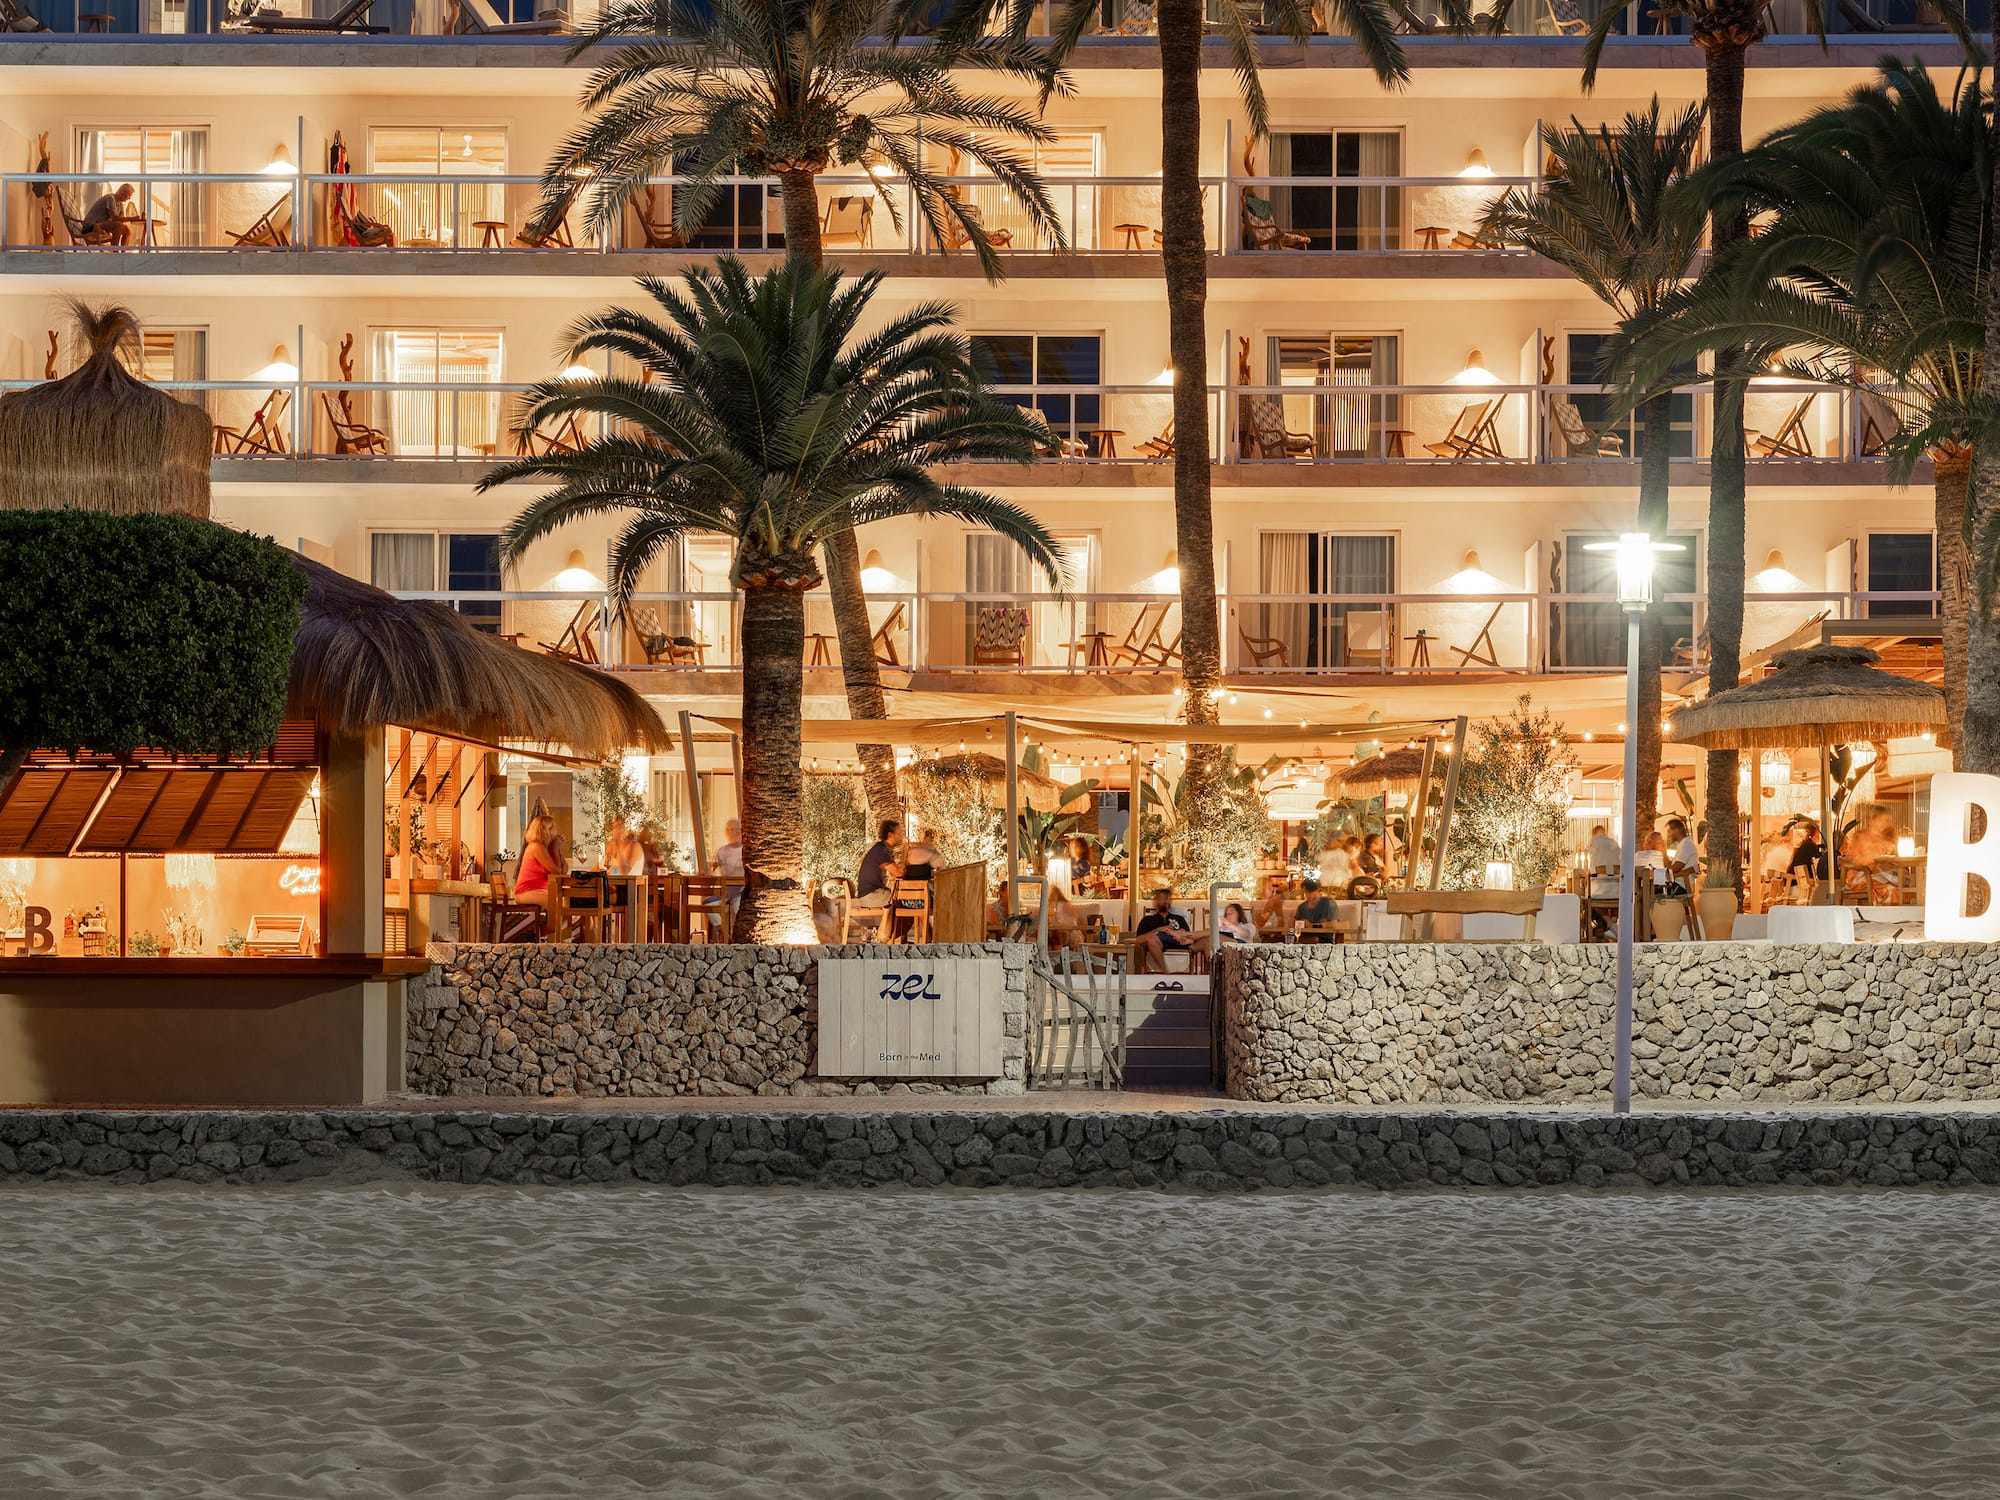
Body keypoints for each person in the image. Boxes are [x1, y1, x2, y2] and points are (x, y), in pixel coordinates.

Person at [1841, 806, 1901, 904]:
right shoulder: (1859, 837)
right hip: (1861, 874)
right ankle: (1880, 915)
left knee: (1904, 887)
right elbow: (1853, 858)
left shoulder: (1887, 840)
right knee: (1891, 890)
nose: (1886, 823)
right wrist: (1872, 864)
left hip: (1880, 874)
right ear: (1873, 820)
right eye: (1882, 820)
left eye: (1887, 820)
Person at [511, 813, 565, 909]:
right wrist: (556, 848)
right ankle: (553, 924)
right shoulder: (536, 847)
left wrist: (558, 849)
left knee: (571, 906)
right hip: (526, 891)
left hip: (540, 890)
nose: (557, 832)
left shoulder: (547, 848)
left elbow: (563, 870)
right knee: (559, 904)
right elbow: (556, 871)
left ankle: (555, 924)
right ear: (547, 830)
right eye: (554, 828)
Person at [1134, 888, 1193, 973]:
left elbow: (1190, 937)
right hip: (1158, 944)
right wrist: (1157, 930)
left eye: (1167, 899)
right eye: (1162, 898)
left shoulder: (1179, 918)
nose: (1165, 901)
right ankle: (1166, 973)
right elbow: (1139, 939)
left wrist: (1179, 933)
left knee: (1203, 939)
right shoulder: (1148, 920)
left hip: (1179, 944)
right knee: (1151, 938)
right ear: (1156, 901)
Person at [853, 819, 905, 909]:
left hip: (872, 893)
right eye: (899, 834)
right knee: (903, 901)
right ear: (890, 835)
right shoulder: (881, 851)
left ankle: (891, 923)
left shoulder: (883, 849)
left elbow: (896, 871)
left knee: (901, 900)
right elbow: (898, 873)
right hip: (870, 895)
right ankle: (889, 923)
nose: (901, 837)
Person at [1588, 823, 1621, 899]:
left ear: (1594, 834)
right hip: (1616, 891)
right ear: (1605, 832)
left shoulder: (1593, 844)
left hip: (1597, 891)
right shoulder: (1614, 843)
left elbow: (1590, 867)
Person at [1664, 818, 1699, 890]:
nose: (1669, 835)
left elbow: (1676, 868)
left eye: (1669, 831)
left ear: (1676, 830)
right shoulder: (1683, 844)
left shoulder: (1686, 844)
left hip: (1681, 886)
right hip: (1678, 884)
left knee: (1652, 888)